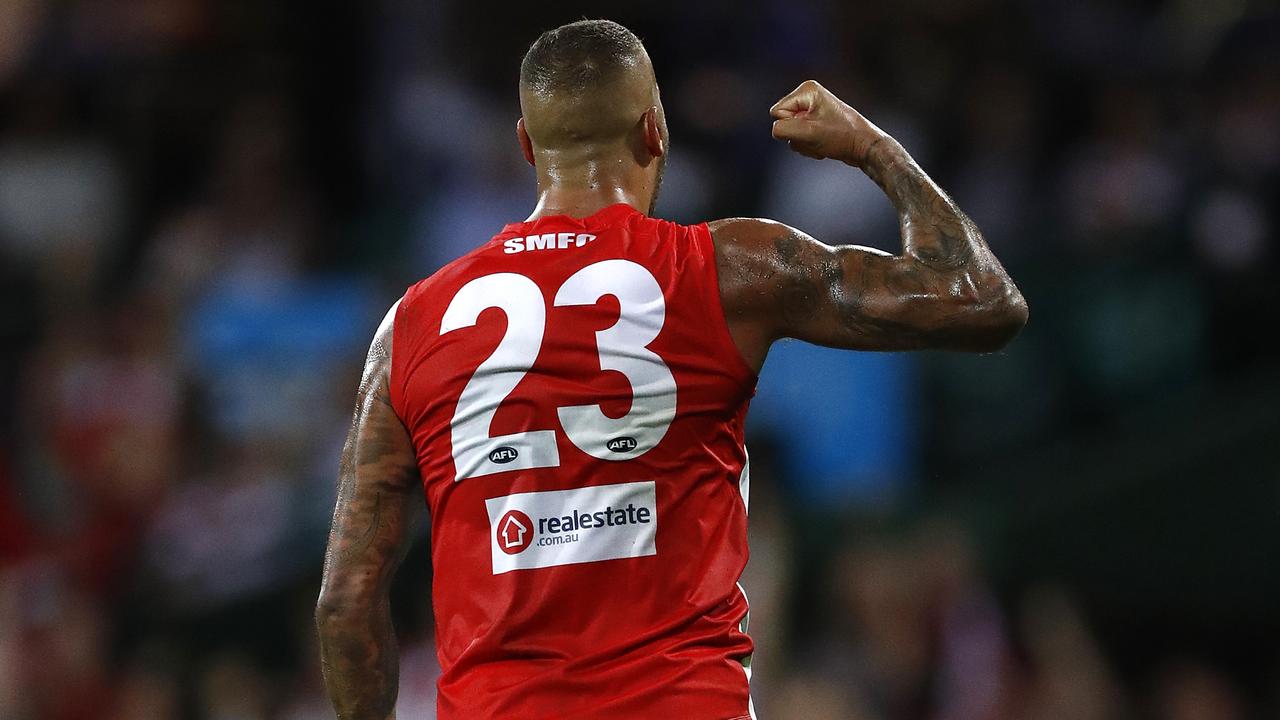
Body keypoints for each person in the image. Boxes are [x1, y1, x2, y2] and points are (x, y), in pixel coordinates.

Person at [316, 19, 1026, 720]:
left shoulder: (412, 325)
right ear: (656, 131)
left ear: (527, 146)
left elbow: (347, 602)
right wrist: (873, 149)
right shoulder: (724, 271)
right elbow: (984, 300)